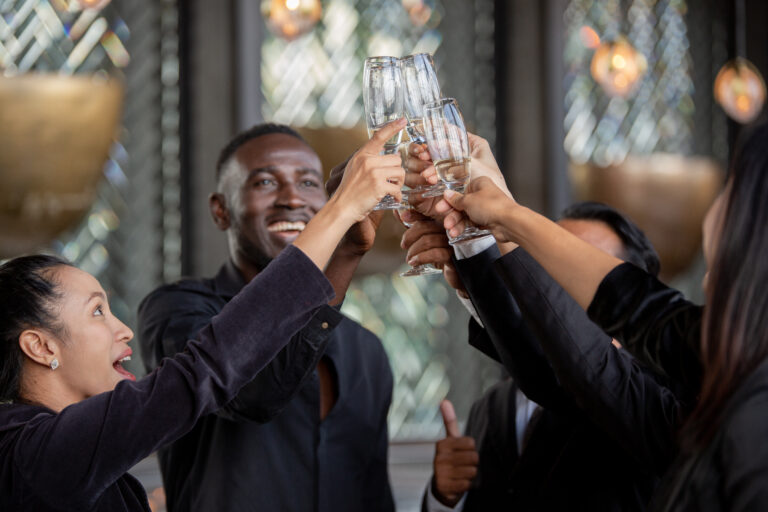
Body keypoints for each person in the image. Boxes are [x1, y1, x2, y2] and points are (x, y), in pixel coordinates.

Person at [0, 119, 405, 512]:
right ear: (40, 345)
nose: (122, 329)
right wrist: (339, 211)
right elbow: (207, 370)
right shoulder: (37, 454)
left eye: (308, 183)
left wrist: (346, 246)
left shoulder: (68, 458)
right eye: (97, 311)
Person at [437, 123, 768, 510]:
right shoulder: (713, 354)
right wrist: (496, 225)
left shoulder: (725, 395)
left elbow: (596, 361)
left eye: (730, 187)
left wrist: (506, 217)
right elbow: (607, 328)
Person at [138, 123, 399, 511]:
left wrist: (441, 498)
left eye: (310, 183)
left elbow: (373, 497)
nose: (293, 198)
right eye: (264, 183)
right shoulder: (178, 310)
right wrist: (341, 246)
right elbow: (253, 394)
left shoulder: (367, 351)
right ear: (221, 210)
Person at [413, 198, 675, 511]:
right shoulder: (494, 405)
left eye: (582, 270)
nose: (554, 281)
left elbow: (579, 375)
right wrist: (444, 497)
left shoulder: (652, 398)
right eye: (545, 261)